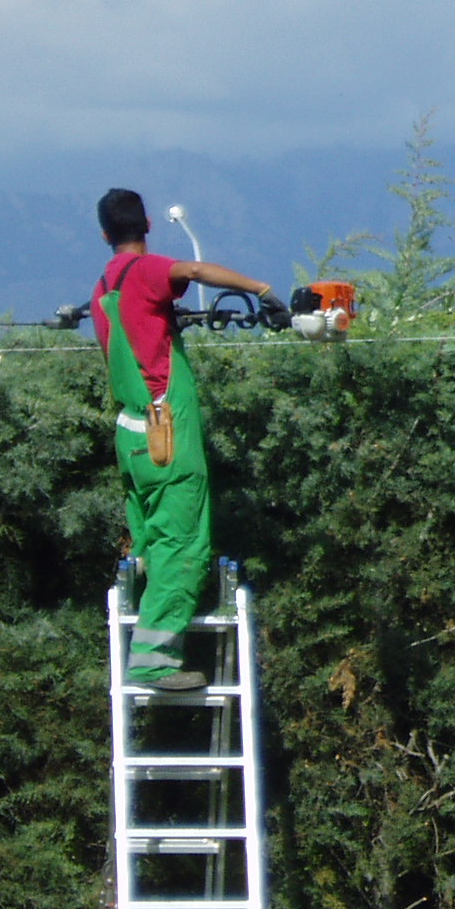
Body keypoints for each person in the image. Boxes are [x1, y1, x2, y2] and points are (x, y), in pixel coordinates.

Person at [91, 188, 285, 690]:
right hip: (167, 436)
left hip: (131, 439)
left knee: (155, 541)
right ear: (148, 225)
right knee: (183, 546)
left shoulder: (102, 287)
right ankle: (154, 661)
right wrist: (262, 290)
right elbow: (194, 272)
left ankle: (153, 638)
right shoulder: (149, 271)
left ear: (104, 234)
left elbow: (137, 337)